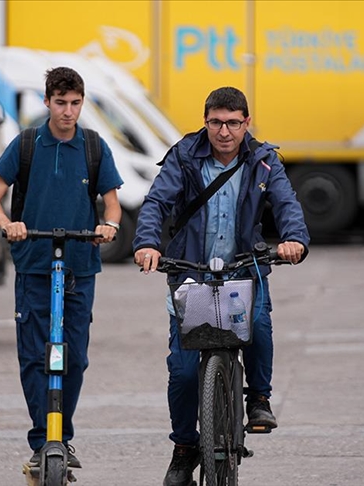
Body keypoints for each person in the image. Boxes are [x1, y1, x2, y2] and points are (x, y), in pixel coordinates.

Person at [132, 86, 309, 486]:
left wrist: (294, 239)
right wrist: (146, 244)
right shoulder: (184, 156)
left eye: (232, 122)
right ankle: (183, 449)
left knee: (259, 325)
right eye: (216, 122)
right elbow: (156, 202)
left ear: (246, 122)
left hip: (243, 269)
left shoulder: (263, 161)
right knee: (183, 373)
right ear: (206, 122)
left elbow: (286, 204)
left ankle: (258, 399)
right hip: (191, 271)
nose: (224, 131)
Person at [0, 66, 123, 469]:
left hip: (79, 264)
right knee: (34, 357)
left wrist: (109, 225)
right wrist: (9, 224)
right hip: (35, 264)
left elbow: (111, 202)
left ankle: (62, 437)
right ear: (47, 102)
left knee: (73, 357)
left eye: (75, 103)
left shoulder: (94, 146)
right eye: (60, 102)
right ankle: (43, 439)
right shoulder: (27, 144)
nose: (68, 111)